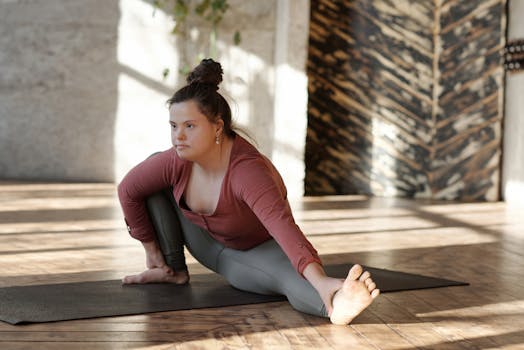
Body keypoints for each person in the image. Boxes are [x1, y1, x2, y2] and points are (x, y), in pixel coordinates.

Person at [117, 58, 379, 325]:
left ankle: (337, 304)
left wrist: (321, 280)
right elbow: (128, 190)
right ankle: (170, 271)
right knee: (150, 173)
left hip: (249, 252)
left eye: (190, 126)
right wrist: (153, 253)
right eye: (174, 126)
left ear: (217, 126)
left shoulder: (248, 172)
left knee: (288, 277)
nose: (178, 137)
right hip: (203, 240)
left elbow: (284, 229)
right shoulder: (177, 159)